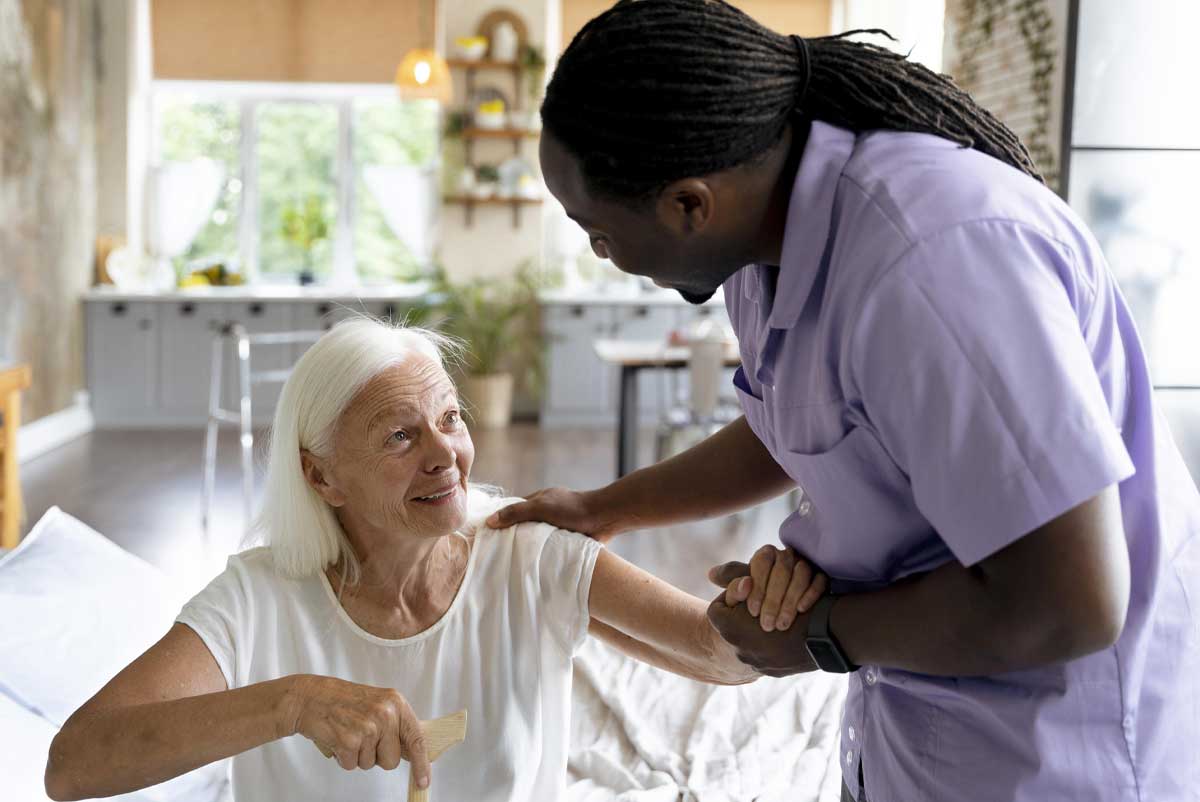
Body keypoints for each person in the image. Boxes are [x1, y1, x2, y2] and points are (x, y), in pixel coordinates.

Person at [488, 1, 1200, 800]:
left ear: (689, 204)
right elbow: (789, 426)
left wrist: (819, 637)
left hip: (1058, 753)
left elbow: (1069, 604)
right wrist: (603, 508)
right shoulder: (761, 252)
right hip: (918, 727)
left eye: (597, 230)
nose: (599, 251)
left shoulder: (933, 264)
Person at [43, 318, 825, 802]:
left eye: (449, 417)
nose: (446, 454)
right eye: (398, 435)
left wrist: (759, 614)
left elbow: (712, 654)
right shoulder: (258, 595)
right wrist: (291, 704)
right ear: (320, 475)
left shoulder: (526, 552)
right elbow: (73, 766)